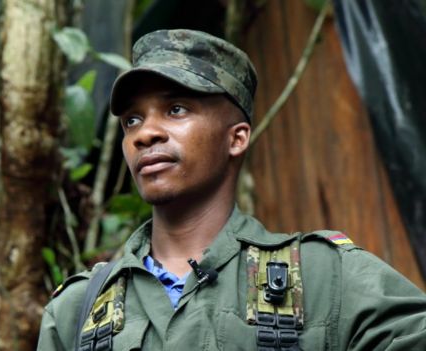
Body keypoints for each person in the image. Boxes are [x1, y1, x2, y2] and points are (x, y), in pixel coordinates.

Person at [37, 29, 426, 350]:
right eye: (132, 120)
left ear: (236, 138)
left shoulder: (325, 277)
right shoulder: (77, 310)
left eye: (176, 109)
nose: (146, 133)